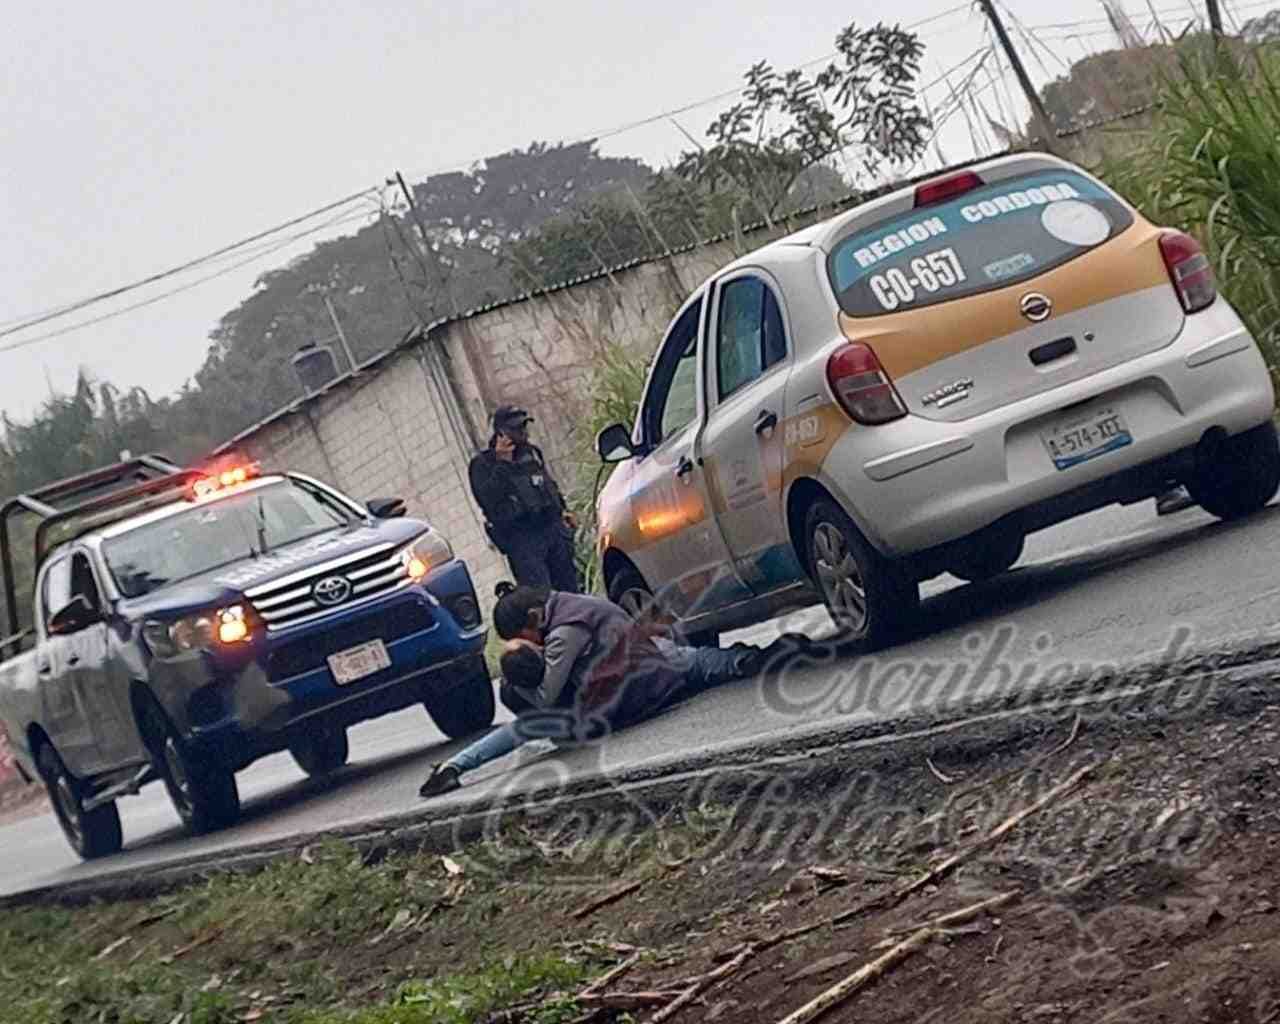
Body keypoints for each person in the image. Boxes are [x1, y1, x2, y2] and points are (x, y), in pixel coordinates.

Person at [418, 585, 814, 797]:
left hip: (623, 701)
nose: (532, 643)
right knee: (707, 661)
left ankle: (456, 767)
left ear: (533, 619)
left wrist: (514, 680)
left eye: (523, 637)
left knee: (528, 729)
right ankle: (771, 655)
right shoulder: (575, 602)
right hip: (658, 670)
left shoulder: (563, 635)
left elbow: (541, 703)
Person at [467, 405, 581, 592]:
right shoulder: (483, 464)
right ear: (501, 433)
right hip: (522, 539)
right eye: (516, 429)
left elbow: (547, 483)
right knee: (541, 596)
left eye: (523, 427)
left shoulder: (531, 453)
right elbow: (488, 500)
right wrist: (503, 463)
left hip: (552, 529)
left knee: (571, 591)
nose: (523, 433)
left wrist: (563, 511)